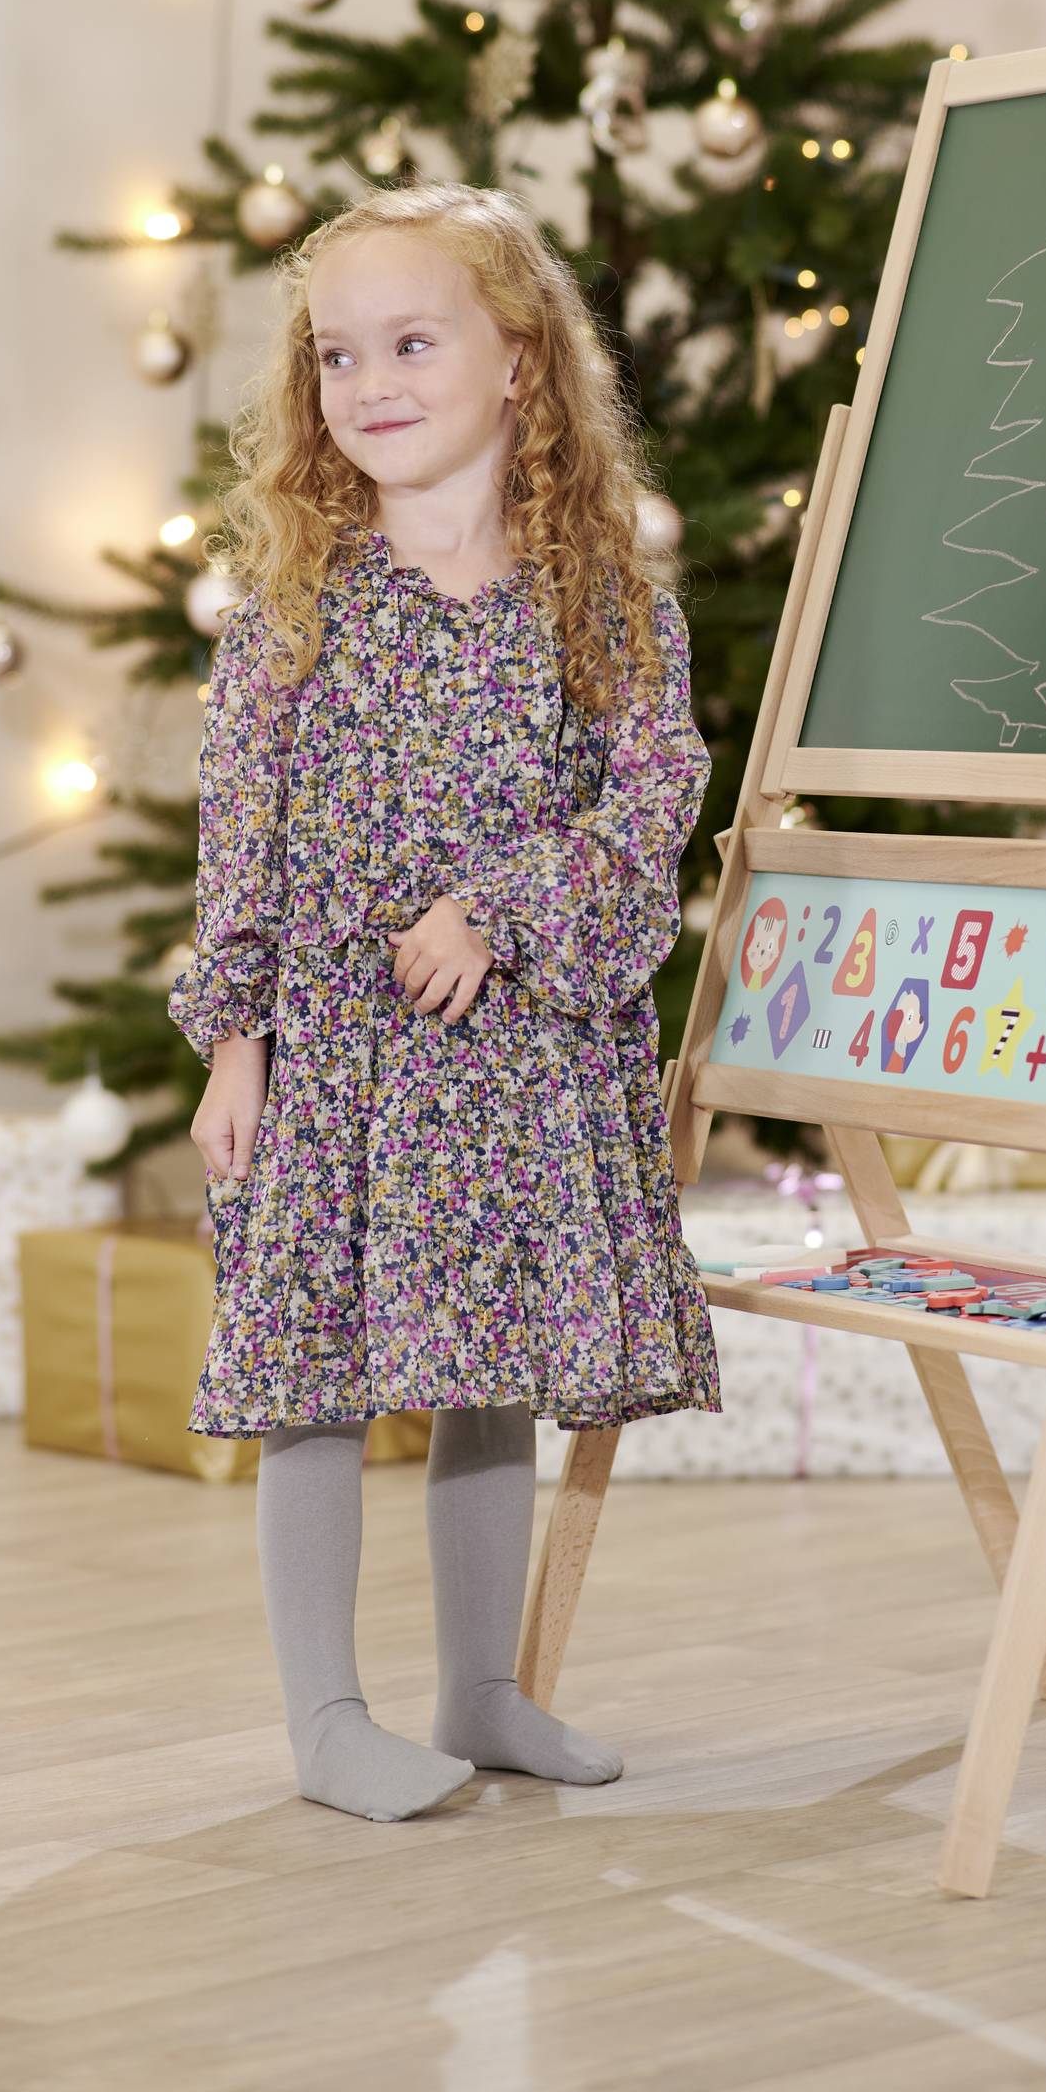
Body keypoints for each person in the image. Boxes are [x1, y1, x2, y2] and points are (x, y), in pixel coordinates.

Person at [169, 182, 722, 1826]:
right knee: (316, 1374)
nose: (369, 382)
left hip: (510, 1064)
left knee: (487, 1365)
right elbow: (239, 830)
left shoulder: (606, 601)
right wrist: (235, 1041)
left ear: (520, 364)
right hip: (335, 1061)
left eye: (412, 341)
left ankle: (482, 1687)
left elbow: (649, 801)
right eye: (339, 354)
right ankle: (328, 1718)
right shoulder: (296, 601)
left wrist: (504, 908)